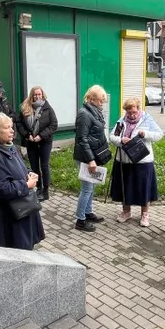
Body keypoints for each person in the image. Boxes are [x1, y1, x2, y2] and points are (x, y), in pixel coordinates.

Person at [0, 113, 44, 250]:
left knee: (25, 247)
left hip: (22, 209)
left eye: (11, 126)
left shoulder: (10, 146)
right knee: (13, 251)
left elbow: (20, 167)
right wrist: (26, 185)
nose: (12, 130)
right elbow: (1, 188)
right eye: (7, 128)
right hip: (7, 215)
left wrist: (28, 173)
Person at [109, 98, 164, 227]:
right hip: (124, 160)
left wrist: (145, 134)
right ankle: (126, 212)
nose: (132, 115)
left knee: (143, 188)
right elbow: (112, 137)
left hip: (143, 161)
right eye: (129, 113)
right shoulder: (121, 121)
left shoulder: (147, 120)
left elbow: (159, 134)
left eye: (134, 112)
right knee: (124, 187)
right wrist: (121, 140)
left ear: (139, 108)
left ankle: (144, 214)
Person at [73, 85, 111, 232]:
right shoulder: (84, 114)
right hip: (85, 157)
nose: (102, 103)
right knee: (87, 189)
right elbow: (82, 139)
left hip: (93, 155)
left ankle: (88, 212)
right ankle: (80, 220)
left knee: (91, 186)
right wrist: (90, 160)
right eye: (100, 100)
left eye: (103, 101)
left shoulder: (95, 112)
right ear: (91, 99)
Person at [14, 86, 58, 201]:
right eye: (35, 94)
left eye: (39, 94)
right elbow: (19, 123)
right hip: (31, 142)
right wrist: (27, 135)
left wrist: (41, 136)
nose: (37, 96)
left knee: (44, 166)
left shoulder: (47, 108)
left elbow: (54, 125)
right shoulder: (25, 107)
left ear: (42, 95)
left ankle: (46, 190)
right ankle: (38, 188)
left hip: (44, 142)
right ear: (31, 95)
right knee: (34, 166)